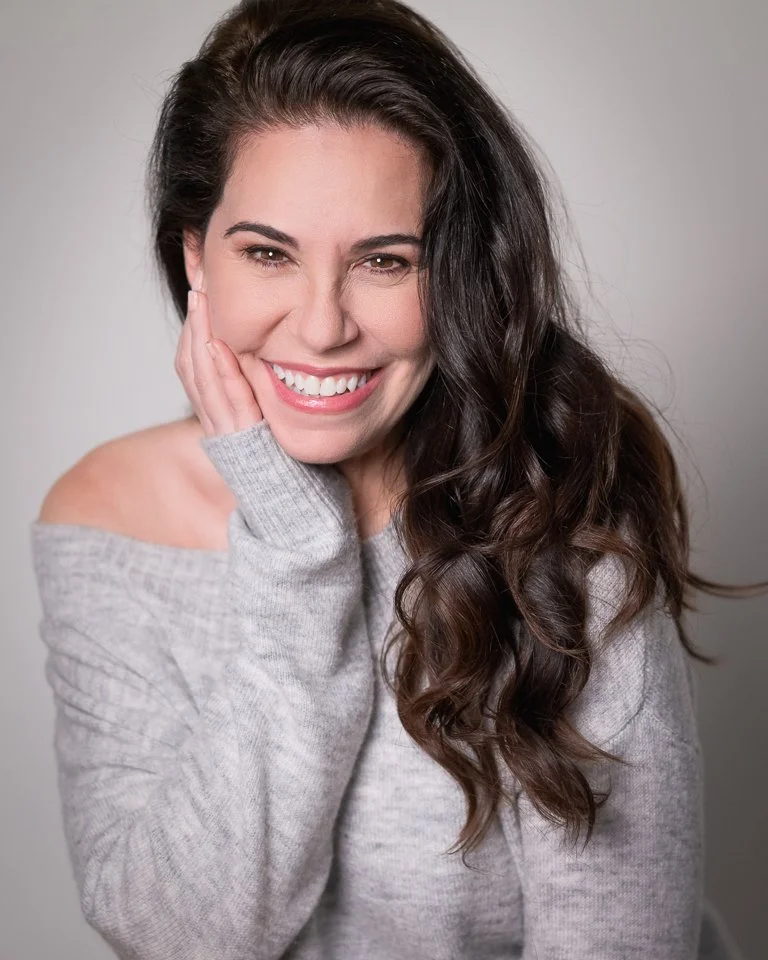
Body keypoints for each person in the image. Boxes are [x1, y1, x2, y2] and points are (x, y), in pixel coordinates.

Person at [29, 1, 765, 958]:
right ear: (194, 257)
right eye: (268, 253)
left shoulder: (556, 518)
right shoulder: (107, 521)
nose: (325, 325)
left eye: (384, 261)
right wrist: (298, 552)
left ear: (456, 273)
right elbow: (178, 935)